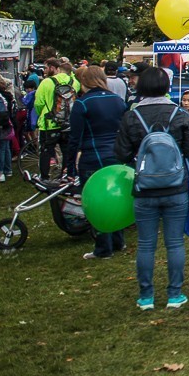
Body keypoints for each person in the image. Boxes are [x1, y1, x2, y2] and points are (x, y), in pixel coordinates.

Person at [113, 68, 189, 311]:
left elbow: (121, 153)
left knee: (146, 243)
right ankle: (174, 293)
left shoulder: (132, 117)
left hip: (144, 187)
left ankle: (146, 296)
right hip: (175, 186)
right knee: (174, 242)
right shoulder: (178, 114)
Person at [68, 66, 129, 260]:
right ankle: (119, 240)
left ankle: (103, 248)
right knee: (116, 197)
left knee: (96, 202)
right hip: (116, 156)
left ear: (84, 81)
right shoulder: (118, 101)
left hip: (93, 157)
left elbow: (74, 138)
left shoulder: (82, 104)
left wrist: (69, 165)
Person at [34, 57, 81, 181]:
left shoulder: (47, 82)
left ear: (57, 69)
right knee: (66, 150)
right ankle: (65, 175)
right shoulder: (74, 82)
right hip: (67, 123)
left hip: (49, 123)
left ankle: (44, 176)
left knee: (46, 150)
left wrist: (41, 114)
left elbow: (38, 102)